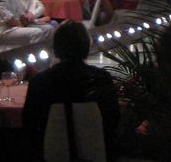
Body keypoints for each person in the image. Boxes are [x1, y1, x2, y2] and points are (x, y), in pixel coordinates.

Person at [22, 21, 121, 161]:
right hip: (97, 150)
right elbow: (113, 119)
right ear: (86, 46)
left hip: (51, 152)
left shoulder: (40, 82)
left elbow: (29, 123)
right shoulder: (101, 79)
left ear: (56, 47)